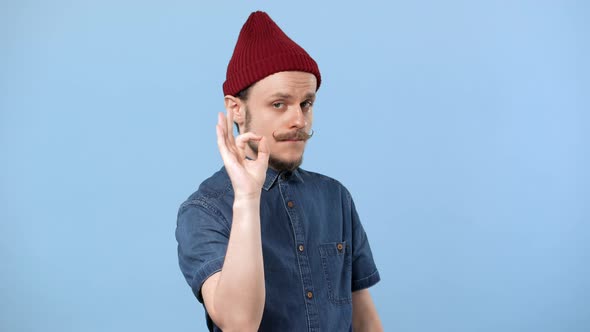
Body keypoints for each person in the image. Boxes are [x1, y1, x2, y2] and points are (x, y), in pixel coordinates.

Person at [176, 11, 383, 331]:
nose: (299, 120)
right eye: (279, 104)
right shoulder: (204, 211)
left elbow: (366, 320)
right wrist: (246, 197)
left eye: (306, 103)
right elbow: (238, 323)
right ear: (236, 109)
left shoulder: (334, 198)